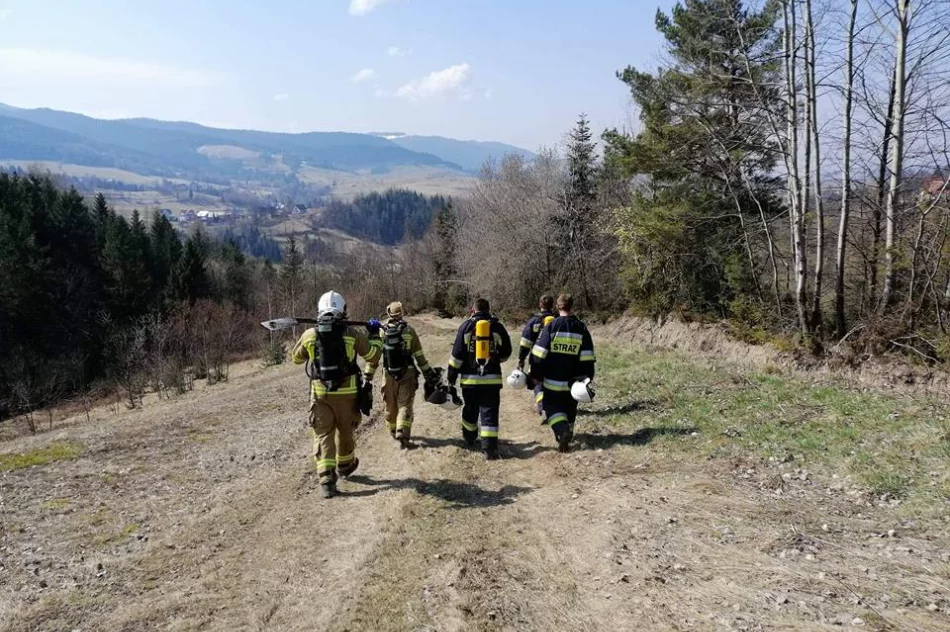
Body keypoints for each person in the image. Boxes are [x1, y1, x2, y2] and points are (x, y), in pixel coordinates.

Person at [292, 290, 382, 498]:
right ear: (343, 310)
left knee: (323, 434)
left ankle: (326, 478)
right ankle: (345, 465)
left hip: (320, 395)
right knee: (345, 431)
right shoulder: (352, 334)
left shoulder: (310, 335)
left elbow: (296, 359)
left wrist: (308, 346)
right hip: (348, 395)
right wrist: (375, 334)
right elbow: (373, 354)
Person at [446, 297, 512, 460]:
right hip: (492, 381)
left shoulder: (466, 327)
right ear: (489, 310)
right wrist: (496, 359)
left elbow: (457, 356)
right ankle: (489, 449)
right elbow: (507, 352)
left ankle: (469, 439)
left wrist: (451, 377)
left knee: (470, 410)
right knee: (489, 413)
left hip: (470, 382)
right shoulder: (497, 327)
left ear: (472, 310)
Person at [529, 293, 596, 453]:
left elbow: (538, 354)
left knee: (552, 410)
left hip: (552, 382)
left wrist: (536, 375)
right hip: (574, 384)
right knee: (570, 410)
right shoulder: (581, 328)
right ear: (571, 306)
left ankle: (562, 431)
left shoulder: (551, 326)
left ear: (557, 307)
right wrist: (587, 379)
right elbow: (588, 357)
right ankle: (568, 433)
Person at [380, 301, 439, 448]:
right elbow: (419, 355)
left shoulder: (382, 331)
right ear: (402, 313)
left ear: (389, 314)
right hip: (407, 373)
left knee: (390, 405)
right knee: (405, 404)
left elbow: (375, 353)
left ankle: (393, 431)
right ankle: (403, 432)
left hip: (388, 375)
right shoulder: (410, 331)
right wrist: (428, 373)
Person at [517, 294, 556, 418]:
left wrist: (521, 360)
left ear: (540, 304)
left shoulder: (534, 321)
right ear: (552, 305)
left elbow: (525, 343)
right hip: (555, 359)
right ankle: (553, 406)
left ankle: (542, 406)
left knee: (537, 382)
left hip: (537, 359)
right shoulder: (557, 320)